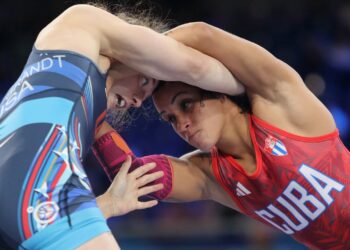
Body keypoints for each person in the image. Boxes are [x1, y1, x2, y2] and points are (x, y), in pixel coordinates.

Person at [0, 4, 245, 249]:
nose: (138, 101)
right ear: (135, 50)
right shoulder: (81, 22)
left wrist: (108, 205)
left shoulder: (70, 99)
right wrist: (252, 90)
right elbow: (197, 67)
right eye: (145, 80)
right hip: (39, 193)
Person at [93, 22, 350, 249]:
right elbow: (131, 174)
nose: (182, 125)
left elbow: (201, 34)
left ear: (218, 90)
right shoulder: (211, 175)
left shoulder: (279, 103)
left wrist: (129, 65)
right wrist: (89, 105)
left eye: (186, 104)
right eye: (170, 119)